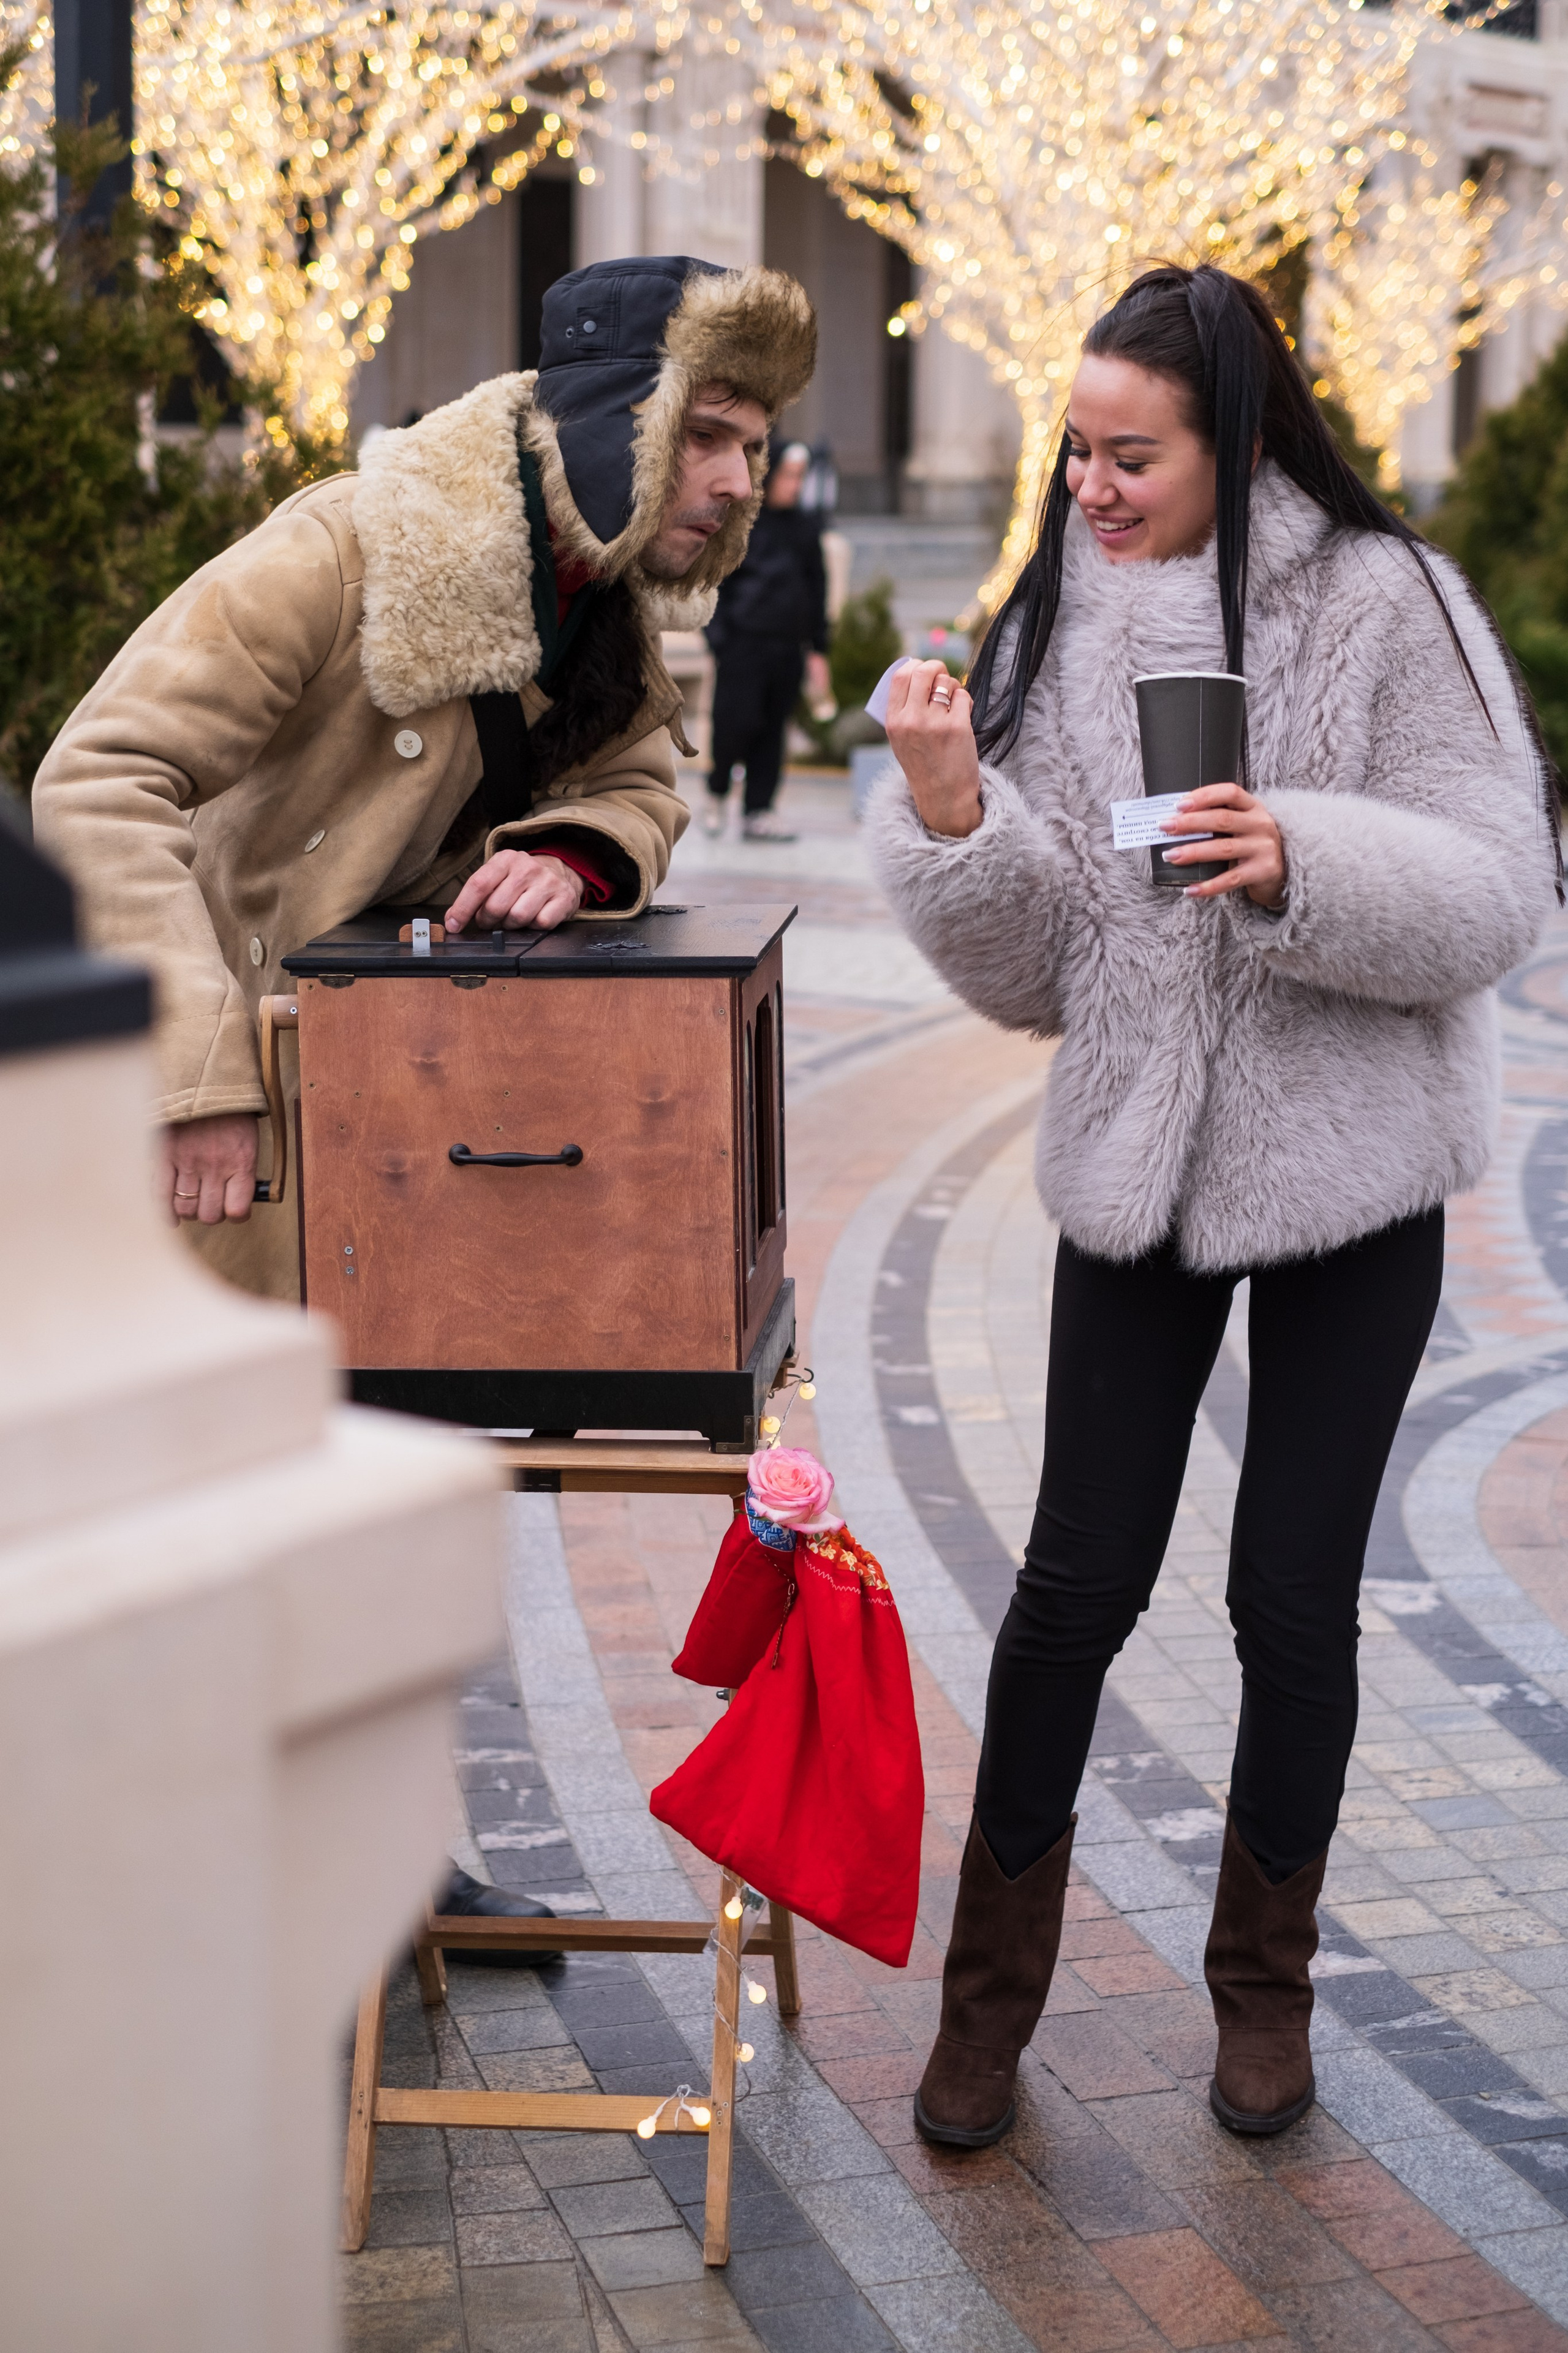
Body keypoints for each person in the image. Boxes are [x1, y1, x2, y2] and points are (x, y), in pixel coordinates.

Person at [34, 252, 816, 1943]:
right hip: (222, 1140)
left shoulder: (588, 586)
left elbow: (639, 774)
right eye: (717, 437)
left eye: (756, 445)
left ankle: (368, 1876)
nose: (744, 480)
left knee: (370, 1523)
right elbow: (97, 773)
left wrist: (570, 850)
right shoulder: (351, 544)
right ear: (626, 424)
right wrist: (199, 1082)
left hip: (391, 1143)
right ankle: (215, 1944)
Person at [873, 263, 1556, 2147]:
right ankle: (981, 2013)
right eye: (1073, 452)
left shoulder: (1385, 598)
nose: (1090, 489)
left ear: (1235, 437)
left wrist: (1298, 856)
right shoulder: (1051, 620)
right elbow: (1033, 970)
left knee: (1292, 1594)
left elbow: (1503, 885)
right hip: (1134, 1160)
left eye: (1130, 456)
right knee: (1069, 1584)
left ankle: (1265, 1996)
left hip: (1350, 1167)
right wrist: (951, 814)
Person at [703, 437, 831, 842]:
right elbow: (715, 583)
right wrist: (719, 639)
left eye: (800, 477)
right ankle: (717, 792)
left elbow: (817, 589)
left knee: (773, 731)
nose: (794, 485)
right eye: (788, 475)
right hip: (743, 644)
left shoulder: (806, 529)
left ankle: (759, 808)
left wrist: (819, 648)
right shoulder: (740, 522)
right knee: (734, 724)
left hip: (786, 646)